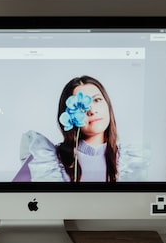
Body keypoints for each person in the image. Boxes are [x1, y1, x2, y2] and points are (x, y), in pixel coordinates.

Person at [12, 75, 149, 182]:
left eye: (97, 100)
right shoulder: (45, 160)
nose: (91, 110)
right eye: (80, 106)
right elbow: (14, 202)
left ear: (108, 105)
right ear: (66, 113)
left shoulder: (132, 161)